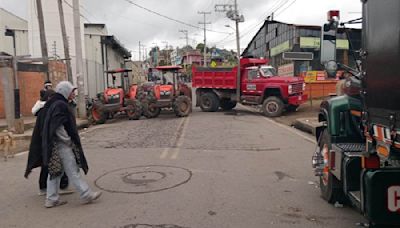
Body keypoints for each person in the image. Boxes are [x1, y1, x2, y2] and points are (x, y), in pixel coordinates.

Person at [33, 81, 101, 208]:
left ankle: (51, 199)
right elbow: (57, 126)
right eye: (72, 91)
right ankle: (86, 194)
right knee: (72, 169)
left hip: (54, 144)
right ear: (65, 91)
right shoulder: (60, 105)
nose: (73, 93)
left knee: (55, 171)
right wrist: (67, 141)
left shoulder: (56, 103)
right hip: (61, 144)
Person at [29, 89, 71, 196]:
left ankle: (49, 188)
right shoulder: (46, 110)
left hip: (46, 141)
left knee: (50, 165)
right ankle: (55, 189)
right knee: (53, 165)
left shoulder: (45, 109)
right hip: (48, 141)